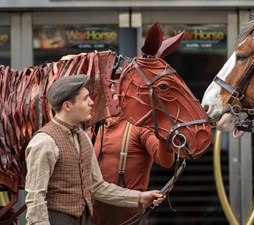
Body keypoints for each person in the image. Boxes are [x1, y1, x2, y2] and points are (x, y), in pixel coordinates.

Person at [24, 74, 165, 225]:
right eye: (85, 99)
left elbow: (96, 187)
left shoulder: (83, 138)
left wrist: (139, 197)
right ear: (67, 106)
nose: (92, 103)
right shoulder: (45, 141)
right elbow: (35, 198)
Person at [91, 114, 175, 225]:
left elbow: (166, 162)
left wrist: (164, 132)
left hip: (129, 216)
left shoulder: (140, 126)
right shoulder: (95, 128)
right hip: (92, 216)